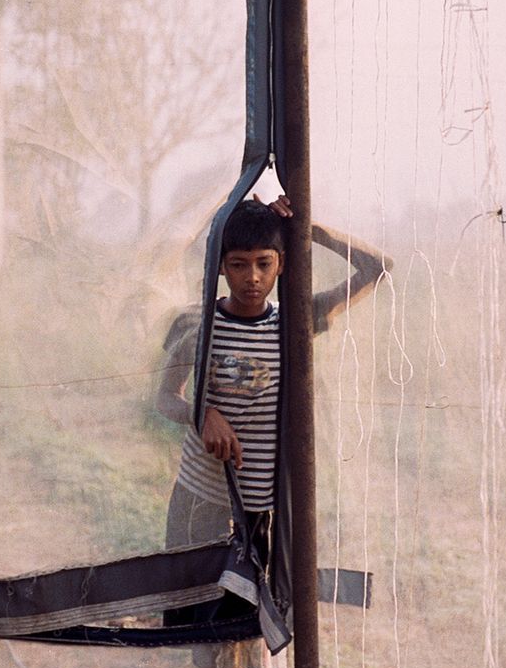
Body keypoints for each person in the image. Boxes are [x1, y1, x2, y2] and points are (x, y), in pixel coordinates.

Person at [155, 194, 389, 560]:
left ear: (281, 263)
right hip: (198, 498)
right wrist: (202, 414)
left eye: (264, 263)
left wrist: (305, 229)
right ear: (220, 266)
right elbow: (166, 397)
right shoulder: (198, 326)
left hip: (261, 505)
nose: (252, 277)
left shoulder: (295, 320)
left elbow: (377, 268)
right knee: (190, 608)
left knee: (248, 610)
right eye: (238, 264)